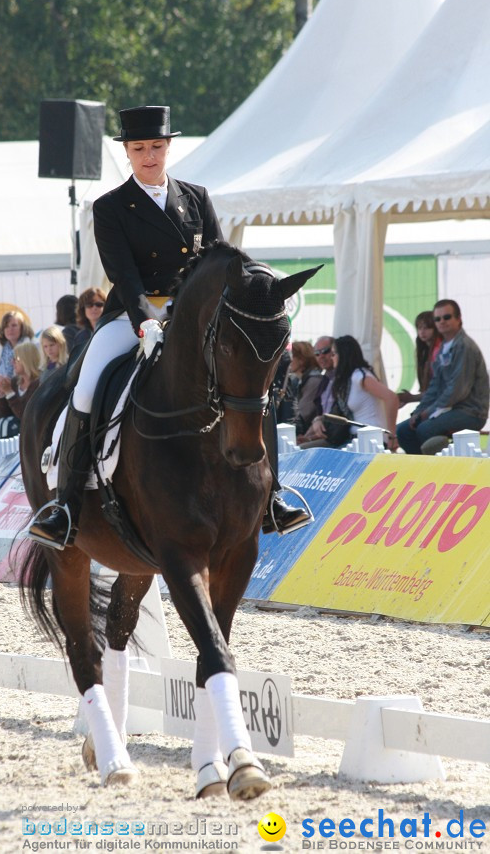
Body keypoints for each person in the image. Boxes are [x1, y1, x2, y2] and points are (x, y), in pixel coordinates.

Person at [28, 104, 308, 549]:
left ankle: (272, 496)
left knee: (250, 386)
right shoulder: (111, 207)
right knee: (84, 388)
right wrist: (146, 323)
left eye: (156, 146)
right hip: (132, 316)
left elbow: (221, 261)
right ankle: (66, 505)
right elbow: (124, 274)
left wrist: (261, 289)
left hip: (192, 320)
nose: (149, 156)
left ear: (168, 146)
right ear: (128, 152)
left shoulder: (195, 196)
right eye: (139, 148)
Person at [396, 299, 489, 455]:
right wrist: (418, 412)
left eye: (447, 317)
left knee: (425, 429)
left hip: (471, 412)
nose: (442, 322)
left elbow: (457, 390)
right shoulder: (444, 347)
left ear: (459, 319)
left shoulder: (464, 346)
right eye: (437, 319)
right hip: (449, 409)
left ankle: (441, 470)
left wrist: (426, 413)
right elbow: (435, 387)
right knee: (403, 430)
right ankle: (423, 471)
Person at [329, 336, 399, 450]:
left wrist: (392, 435)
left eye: (333, 354)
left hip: (371, 442)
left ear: (343, 355)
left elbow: (392, 398)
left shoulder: (361, 376)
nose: (331, 358)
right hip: (355, 439)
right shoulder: (349, 379)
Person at [0, 341, 41, 436]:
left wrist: (9, 392)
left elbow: (25, 415)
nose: (12, 362)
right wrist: (1, 394)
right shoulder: (15, 382)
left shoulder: (38, 383)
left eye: (16, 359)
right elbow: (5, 415)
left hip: (32, 436)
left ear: (27, 359)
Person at [297, 336, 336, 446]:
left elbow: (303, 413)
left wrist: (308, 439)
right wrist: (307, 437)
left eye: (325, 351)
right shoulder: (325, 379)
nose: (321, 356)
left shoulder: (342, 379)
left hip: (337, 438)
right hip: (325, 434)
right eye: (317, 354)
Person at [398, 311, 442, 406]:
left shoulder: (438, 352)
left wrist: (411, 398)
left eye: (427, 328)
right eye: (419, 328)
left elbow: (439, 390)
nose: (422, 332)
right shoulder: (426, 352)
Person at [0, 310, 35, 389]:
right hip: (2, 392)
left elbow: (34, 373)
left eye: (14, 325)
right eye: (6, 326)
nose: (10, 329)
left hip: (22, 391)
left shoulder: (31, 345)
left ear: (22, 328)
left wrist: (11, 386)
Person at [288, 341, 323, 436]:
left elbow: (303, 413)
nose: (288, 360)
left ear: (301, 360)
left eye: (291, 357)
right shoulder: (304, 379)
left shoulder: (313, 381)